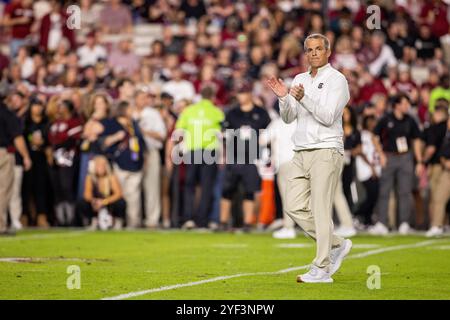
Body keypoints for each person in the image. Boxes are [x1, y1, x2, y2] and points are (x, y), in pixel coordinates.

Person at [266, 33, 353, 283]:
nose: (313, 53)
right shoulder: (300, 78)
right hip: (301, 150)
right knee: (292, 206)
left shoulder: (338, 80)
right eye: (309, 50)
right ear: (305, 53)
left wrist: (305, 98)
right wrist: (284, 97)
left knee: (320, 208)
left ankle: (322, 268)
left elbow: (327, 116)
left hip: (326, 149)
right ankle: (336, 244)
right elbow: (288, 117)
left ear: (328, 52)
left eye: (318, 49)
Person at [369, 94, 424, 235]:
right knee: (385, 191)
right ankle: (382, 222)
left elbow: (416, 140)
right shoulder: (386, 119)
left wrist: (419, 161)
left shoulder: (410, 120)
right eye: (404, 103)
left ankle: (404, 223)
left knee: (405, 191)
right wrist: (380, 154)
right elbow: (374, 136)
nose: (407, 106)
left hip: (405, 157)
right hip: (389, 156)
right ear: (396, 105)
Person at [220, 82, 271, 231]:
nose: (240, 96)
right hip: (234, 156)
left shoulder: (261, 113)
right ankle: (223, 222)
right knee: (227, 190)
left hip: (252, 158)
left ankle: (248, 223)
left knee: (250, 190)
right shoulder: (231, 112)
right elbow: (224, 135)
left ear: (250, 94)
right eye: (239, 93)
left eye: (243, 93)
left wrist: (265, 156)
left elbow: (268, 133)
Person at [175, 86, 224, 229]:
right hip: (210, 151)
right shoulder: (216, 112)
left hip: (192, 150)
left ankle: (188, 218)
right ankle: (202, 220)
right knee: (206, 187)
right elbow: (221, 135)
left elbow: (179, 132)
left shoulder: (189, 111)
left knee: (190, 186)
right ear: (212, 96)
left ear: (200, 96)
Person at [101, 100, 146, 228]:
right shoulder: (112, 124)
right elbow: (104, 143)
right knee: (119, 195)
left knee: (134, 197)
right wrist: (116, 137)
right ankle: (118, 221)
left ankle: (132, 223)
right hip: (119, 164)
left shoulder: (134, 124)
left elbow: (140, 142)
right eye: (130, 109)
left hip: (135, 164)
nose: (132, 111)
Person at [134, 89, 167, 228]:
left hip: (150, 151)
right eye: (141, 98)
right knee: (133, 187)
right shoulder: (131, 113)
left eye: (145, 98)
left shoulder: (152, 114)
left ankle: (152, 220)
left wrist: (143, 132)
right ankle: (133, 220)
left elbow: (162, 135)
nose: (144, 101)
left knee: (152, 187)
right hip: (133, 153)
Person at [47, 99, 83, 226]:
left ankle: (71, 218)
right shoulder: (55, 123)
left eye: (62, 106)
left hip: (68, 158)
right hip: (54, 157)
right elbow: (50, 140)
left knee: (66, 186)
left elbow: (72, 141)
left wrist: (57, 148)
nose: (59, 108)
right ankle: (60, 218)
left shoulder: (74, 122)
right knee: (56, 187)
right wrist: (50, 152)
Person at [0, 100, 32, 235]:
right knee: (3, 190)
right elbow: (17, 137)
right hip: (3, 153)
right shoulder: (6, 113)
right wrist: (26, 156)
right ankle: (0, 226)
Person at [23, 98, 51, 227]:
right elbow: (21, 138)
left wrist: (43, 144)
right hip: (28, 158)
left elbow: (50, 140)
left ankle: (42, 217)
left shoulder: (47, 123)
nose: (38, 108)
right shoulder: (25, 122)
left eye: (40, 106)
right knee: (26, 189)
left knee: (41, 189)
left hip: (42, 159)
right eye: (35, 105)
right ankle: (25, 217)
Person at [77, 155, 126, 230]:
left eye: (103, 165)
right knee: (83, 203)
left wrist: (104, 202)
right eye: (98, 165)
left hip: (108, 203)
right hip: (96, 203)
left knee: (121, 202)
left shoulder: (111, 177)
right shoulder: (90, 178)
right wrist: (94, 201)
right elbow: (87, 194)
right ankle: (91, 221)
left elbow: (118, 194)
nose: (101, 168)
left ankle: (118, 221)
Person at [426, 110, 450, 237]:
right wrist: (444, 161)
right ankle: (436, 225)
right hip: (447, 171)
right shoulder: (447, 134)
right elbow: (443, 152)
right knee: (439, 197)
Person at [354, 115, 381, 227]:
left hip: (375, 168)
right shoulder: (363, 135)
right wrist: (372, 168)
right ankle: (357, 213)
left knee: (374, 195)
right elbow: (361, 152)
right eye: (370, 122)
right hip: (366, 169)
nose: (372, 124)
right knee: (372, 194)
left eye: (373, 121)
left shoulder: (375, 136)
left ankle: (367, 220)